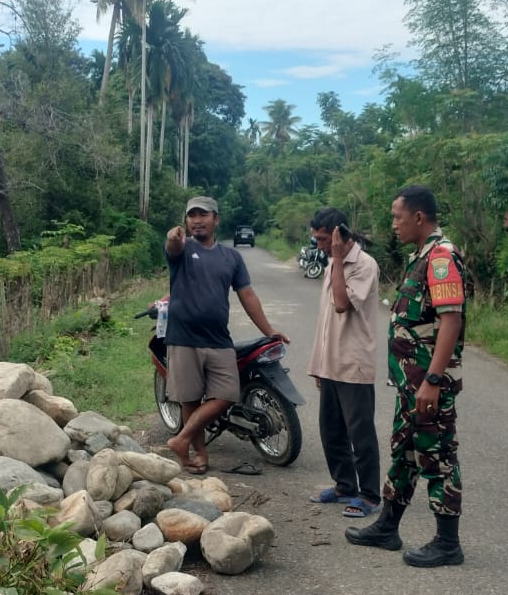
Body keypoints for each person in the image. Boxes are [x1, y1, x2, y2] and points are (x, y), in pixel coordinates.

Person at [346, 185, 469, 568]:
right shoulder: (421, 256)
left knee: (438, 455)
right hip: (410, 384)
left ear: (418, 217)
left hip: (428, 384)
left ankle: (448, 543)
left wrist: (432, 380)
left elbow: (451, 321)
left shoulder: (441, 258)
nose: (394, 225)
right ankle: (388, 527)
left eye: (398, 217)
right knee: (405, 453)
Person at [164, 195, 288, 474]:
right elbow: (172, 247)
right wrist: (173, 238)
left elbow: (248, 295)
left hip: (218, 339)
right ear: (186, 221)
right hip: (183, 338)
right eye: (192, 215)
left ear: (216, 219)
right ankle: (200, 454)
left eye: (203, 215)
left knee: (228, 394)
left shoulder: (231, 257)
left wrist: (269, 331)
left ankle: (181, 439)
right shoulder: (182, 248)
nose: (197, 220)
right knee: (189, 399)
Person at [304, 207, 382, 518]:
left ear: (339, 235)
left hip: (353, 363)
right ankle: (344, 486)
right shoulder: (331, 265)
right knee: (331, 430)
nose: (319, 245)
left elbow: (340, 304)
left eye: (324, 239)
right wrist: (319, 364)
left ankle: (370, 495)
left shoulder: (364, 265)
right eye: (316, 239)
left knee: (360, 432)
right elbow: (326, 321)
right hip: (331, 363)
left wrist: (337, 258)